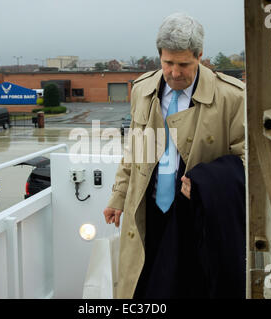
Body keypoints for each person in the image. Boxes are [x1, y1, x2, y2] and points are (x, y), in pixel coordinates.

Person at [103, 12, 245, 299]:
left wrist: (206, 180)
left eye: (184, 64)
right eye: (168, 63)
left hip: (196, 218)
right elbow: (134, 150)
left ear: (200, 56)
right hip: (149, 212)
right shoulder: (142, 90)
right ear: (159, 57)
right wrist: (118, 197)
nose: (175, 72)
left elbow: (249, 161)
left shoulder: (233, 97)